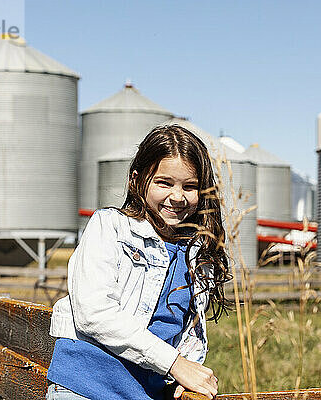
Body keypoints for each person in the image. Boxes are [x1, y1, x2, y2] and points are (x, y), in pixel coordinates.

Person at [46, 124, 230, 400]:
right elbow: (93, 313)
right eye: (164, 183)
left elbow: (189, 329)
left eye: (190, 186)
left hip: (145, 394)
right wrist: (175, 364)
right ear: (137, 180)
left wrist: (190, 369)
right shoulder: (110, 227)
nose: (178, 197)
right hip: (86, 387)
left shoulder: (198, 252)